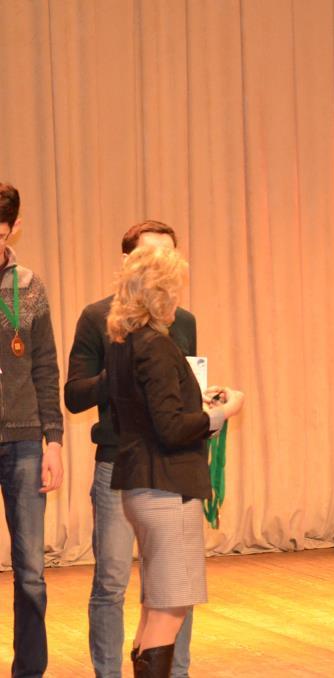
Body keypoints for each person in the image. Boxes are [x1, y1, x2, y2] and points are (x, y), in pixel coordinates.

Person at [65, 221, 197, 677]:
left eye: (170, 255)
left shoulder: (183, 321)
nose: (162, 264)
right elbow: (74, 395)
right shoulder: (98, 318)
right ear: (128, 263)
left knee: (172, 586)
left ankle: (174, 671)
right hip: (117, 462)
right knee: (112, 581)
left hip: (170, 466)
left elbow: (181, 394)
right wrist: (125, 370)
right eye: (151, 255)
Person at [105, 246, 243, 677]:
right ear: (158, 294)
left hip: (142, 484)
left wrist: (197, 404)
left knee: (156, 606)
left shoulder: (123, 345)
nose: (178, 299)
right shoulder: (157, 346)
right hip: (166, 487)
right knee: (170, 608)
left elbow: (145, 415)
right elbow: (169, 428)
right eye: (173, 289)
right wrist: (222, 413)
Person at [0, 182, 64, 677]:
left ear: (14, 228)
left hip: (23, 440)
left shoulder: (29, 286)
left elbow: (45, 366)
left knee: (31, 572)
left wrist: (54, 442)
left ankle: (29, 671)